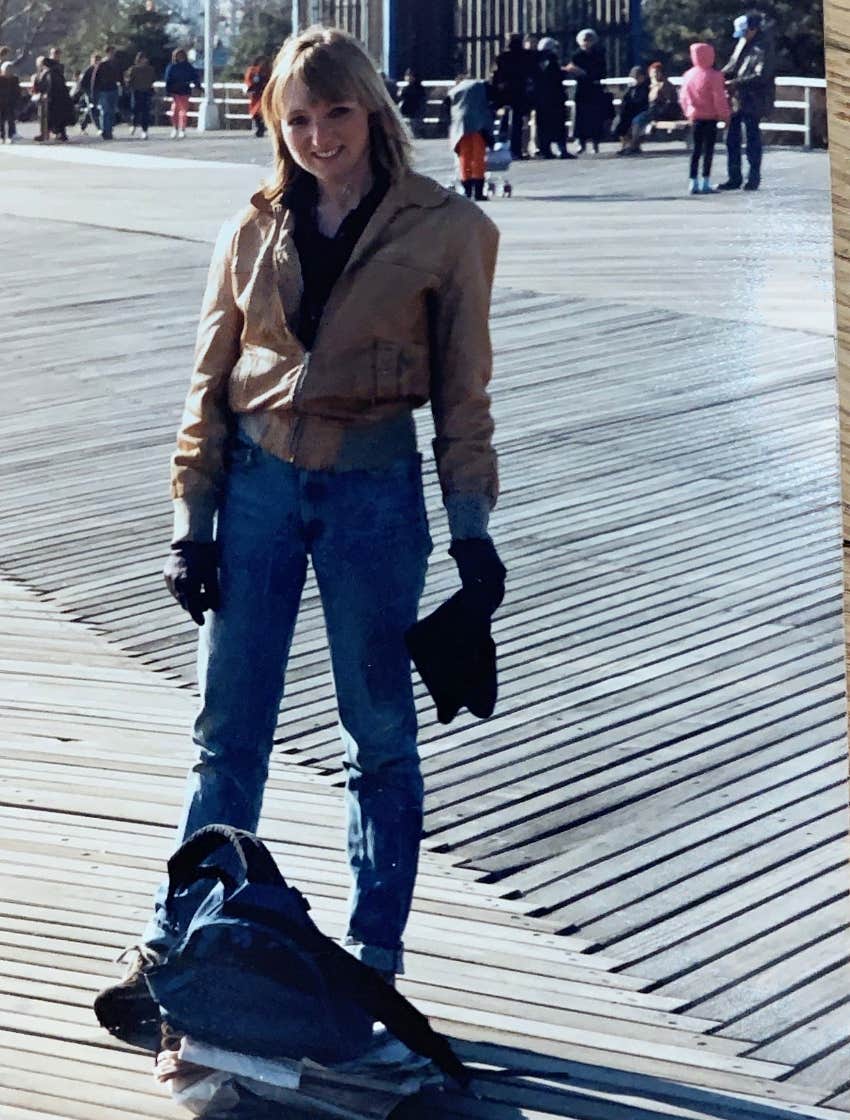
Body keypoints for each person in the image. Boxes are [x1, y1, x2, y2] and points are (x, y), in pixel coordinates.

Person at [95, 25, 505, 1025]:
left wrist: (471, 536)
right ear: (276, 124)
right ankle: (176, 941)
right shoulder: (251, 225)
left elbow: (463, 398)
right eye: (299, 118)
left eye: (337, 113)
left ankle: (373, 958)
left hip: (373, 498)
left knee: (378, 733)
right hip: (257, 492)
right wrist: (191, 520)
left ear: (372, 110)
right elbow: (208, 380)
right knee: (226, 731)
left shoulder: (447, 230)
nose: (320, 135)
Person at [719, 10, 776, 191]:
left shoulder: (764, 47)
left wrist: (735, 83)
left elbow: (761, 75)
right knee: (731, 138)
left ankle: (753, 177)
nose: (742, 36)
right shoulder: (742, 43)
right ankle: (734, 177)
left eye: (744, 32)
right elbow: (732, 65)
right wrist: (717, 77)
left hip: (754, 98)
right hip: (737, 98)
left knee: (752, 138)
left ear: (753, 29)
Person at [678, 42, 731, 194]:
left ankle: (692, 181)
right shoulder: (715, 76)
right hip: (711, 117)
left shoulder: (688, 75)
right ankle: (705, 181)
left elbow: (683, 97)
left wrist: (688, 112)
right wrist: (725, 115)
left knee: (695, 150)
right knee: (708, 150)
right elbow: (719, 98)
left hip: (695, 116)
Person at [446, 72, 493, 199]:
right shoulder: (480, 86)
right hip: (478, 126)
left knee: (464, 158)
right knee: (478, 158)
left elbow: (447, 108)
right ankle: (478, 191)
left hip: (460, 127)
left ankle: (467, 190)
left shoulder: (455, 90)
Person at [492, 32, 536, 159]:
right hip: (520, 91)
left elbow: (496, 75)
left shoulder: (502, 57)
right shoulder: (526, 56)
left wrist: (495, 92)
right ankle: (516, 150)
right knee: (517, 122)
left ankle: (501, 148)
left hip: (506, 91)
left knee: (504, 121)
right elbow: (532, 72)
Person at [566, 27, 608, 154]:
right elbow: (572, 72)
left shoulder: (599, 54)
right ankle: (581, 142)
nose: (587, 42)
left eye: (590, 39)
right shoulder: (576, 55)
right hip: (582, 90)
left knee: (596, 117)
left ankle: (595, 143)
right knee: (580, 117)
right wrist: (577, 72)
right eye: (585, 39)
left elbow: (602, 72)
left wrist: (587, 73)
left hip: (595, 89)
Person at [627, 61, 680, 152]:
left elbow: (666, 102)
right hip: (651, 110)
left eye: (656, 72)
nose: (654, 75)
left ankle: (634, 145)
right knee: (629, 117)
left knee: (638, 120)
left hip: (662, 112)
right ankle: (632, 144)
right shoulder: (649, 85)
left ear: (661, 73)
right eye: (652, 73)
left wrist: (659, 113)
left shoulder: (665, 85)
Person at [534, 36, 573, 159]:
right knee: (559, 125)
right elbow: (555, 76)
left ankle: (545, 150)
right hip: (555, 98)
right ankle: (562, 150)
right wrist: (565, 71)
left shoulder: (536, 60)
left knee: (543, 126)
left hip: (541, 98)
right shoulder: (552, 59)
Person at [33, 54, 74, 142]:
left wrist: (46, 94)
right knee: (58, 117)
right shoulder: (57, 71)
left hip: (52, 99)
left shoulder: (49, 73)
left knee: (48, 117)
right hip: (60, 98)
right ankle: (60, 134)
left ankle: (46, 134)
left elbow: (49, 86)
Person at [165, 47, 201, 138]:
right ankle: (175, 128)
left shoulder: (188, 66)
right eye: (177, 56)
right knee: (174, 110)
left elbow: (194, 77)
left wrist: (198, 87)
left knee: (183, 111)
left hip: (185, 90)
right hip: (175, 91)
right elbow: (168, 79)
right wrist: (168, 91)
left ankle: (182, 129)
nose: (179, 57)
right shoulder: (172, 66)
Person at [612, 66, 648, 155]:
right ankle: (625, 145)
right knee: (620, 120)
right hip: (630, 110)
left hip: (641, 109)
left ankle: (633, 146)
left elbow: (642, 100)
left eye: (637, 76)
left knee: (632, 121)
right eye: (633, 76)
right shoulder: (631, 87)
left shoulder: (646, 86)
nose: (635, 78)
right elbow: (625, 98)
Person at [92, 46, 122, 140]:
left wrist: (122, 84)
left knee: (112, 111)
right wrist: (94, 91)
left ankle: (109, 130)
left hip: (113, 89)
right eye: (112, 52)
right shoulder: (102, 64)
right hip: (104, 90)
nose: (113, 54)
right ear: (108, 52)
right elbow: (95, 78)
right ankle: (106, 131)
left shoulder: (116, 63)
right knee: (106, 111)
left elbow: (120, 75)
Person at [125, 51, 156, 138]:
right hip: (136, 91)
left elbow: (153, 79)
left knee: (145, 111)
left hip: (147, 91)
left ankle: (144, 130)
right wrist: (129, 86)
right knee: (135, 109)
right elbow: (129, 80)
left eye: (145, 58)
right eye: (142, 58)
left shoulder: (150, 69)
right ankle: (133, 124)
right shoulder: (133, 69)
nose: (144, 60)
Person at [244, 54, 271, 137]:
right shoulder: (252, 71)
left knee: (262, 111)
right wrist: (250, 88)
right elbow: (249, 81)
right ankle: (259, 127)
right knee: (256, 113)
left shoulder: (268, 70)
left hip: (265, 93)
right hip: (256, 95)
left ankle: (261, 128)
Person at [73, 53, 101, 132]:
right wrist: (83, 92)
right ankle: (99, 127)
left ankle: (83, 124)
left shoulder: (101, 69)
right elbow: (82, 83)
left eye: (98, 60)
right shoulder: (88, 70)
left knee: (92, 110)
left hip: (98, 92)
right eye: (95, 60)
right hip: (89, 92)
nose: (96, 62)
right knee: (92, 109)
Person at [398, 67, 427, 138]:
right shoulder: (420, 87)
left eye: (409, 75)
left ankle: (416, 134)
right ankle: (417, 134)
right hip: (416, 110)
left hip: (413, 110)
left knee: (415, 122)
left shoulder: (410, 88)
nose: (407, 77)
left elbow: (402, 96)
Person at [0, 60, 19, 143]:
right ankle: (1, 136)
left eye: (11, 69)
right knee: (1, 120)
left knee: (11, 120)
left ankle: (11, 135)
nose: (9, 71)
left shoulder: (15, 79)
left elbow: (17, 91)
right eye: (7, 69)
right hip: (1, 102)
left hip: (11, 102)